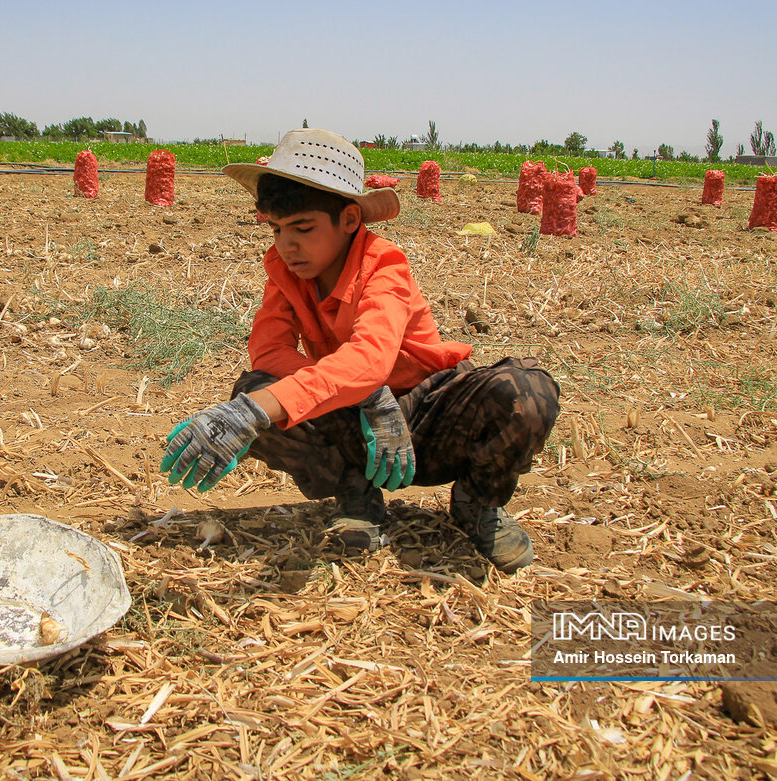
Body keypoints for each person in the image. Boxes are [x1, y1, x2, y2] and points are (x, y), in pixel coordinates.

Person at [160, 129, 559, 573]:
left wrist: (365, 384)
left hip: (430, 409)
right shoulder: (285, 270)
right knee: (256, 389)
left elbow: (370, 359)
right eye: (277, 229)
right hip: (356, 417)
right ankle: (356, 492)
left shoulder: (384, 264)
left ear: (350, 220)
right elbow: (269, 352)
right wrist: (363, 394)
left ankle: (478, 503)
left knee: (526, 390)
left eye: (303, 228)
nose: (286, 245)